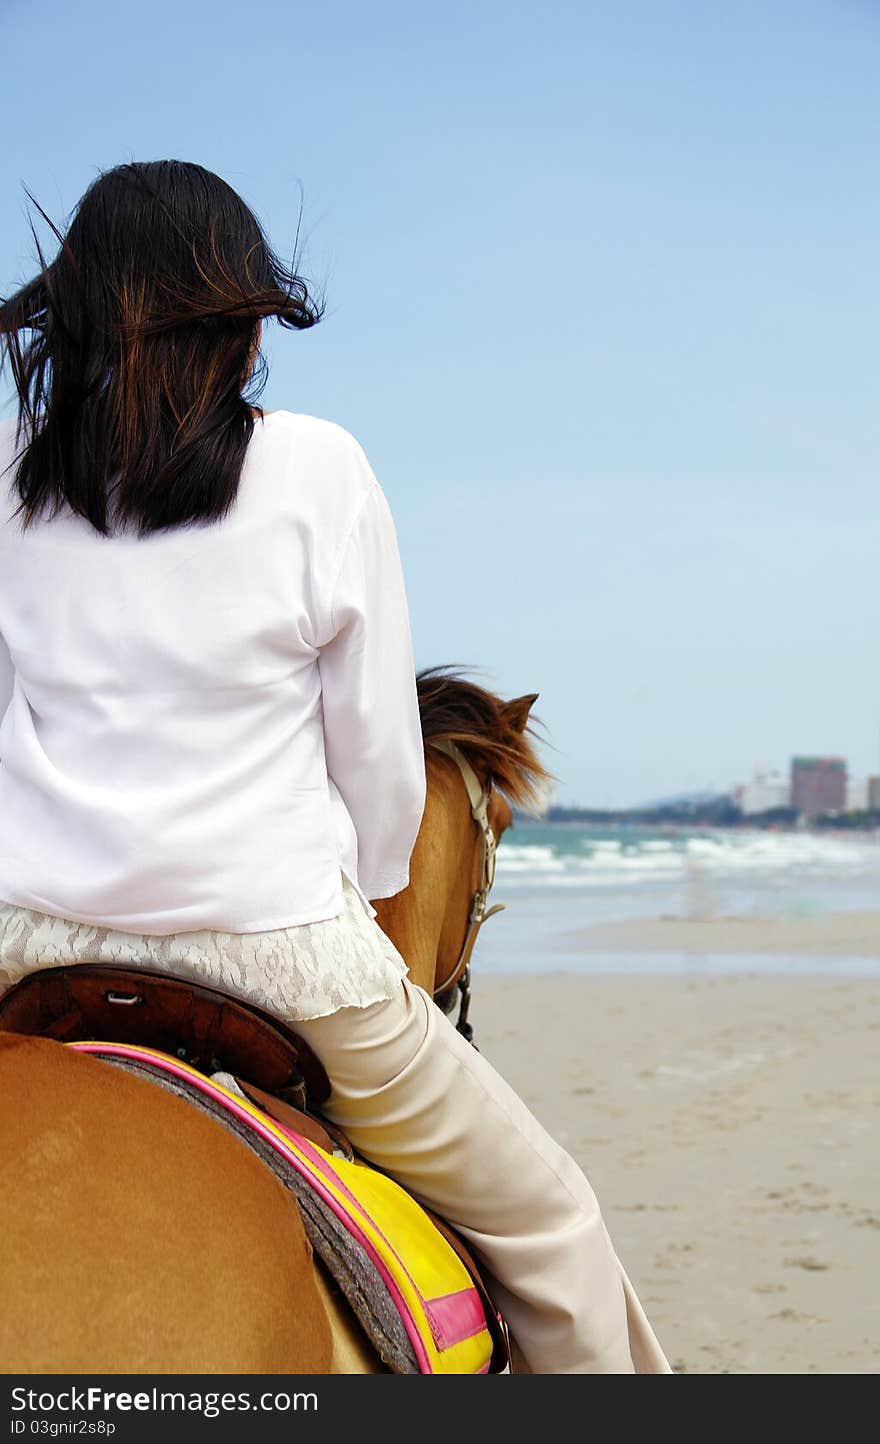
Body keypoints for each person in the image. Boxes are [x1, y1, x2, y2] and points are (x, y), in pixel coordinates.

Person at [0, 160, 670, 1375]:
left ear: (80, 311)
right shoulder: (318, 467)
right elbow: (376, 757)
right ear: (245, 322)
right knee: (553, 1220)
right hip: (278, 958)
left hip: (26, 947)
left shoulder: (12, 478)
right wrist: (358, 892)